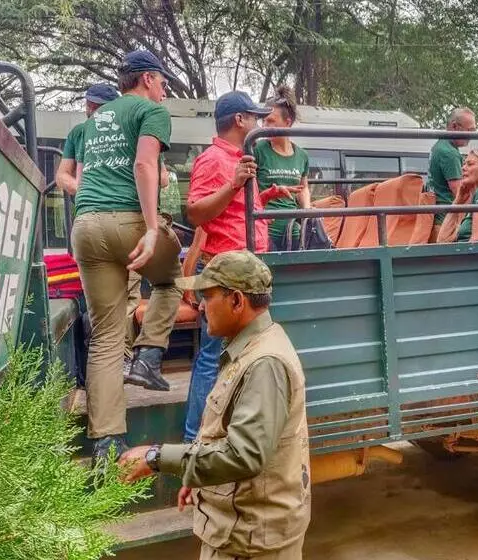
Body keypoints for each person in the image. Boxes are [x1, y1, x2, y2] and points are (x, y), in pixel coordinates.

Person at [119, 251, 311, 560]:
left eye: (207, 297)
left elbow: (243, 454)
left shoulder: (264, 363)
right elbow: (226, 433)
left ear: (236, 301)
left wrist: (157, 457)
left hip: (251, 544)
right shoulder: (247, 348)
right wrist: (200, 482)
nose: (200, 307)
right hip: (240, 531)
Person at [73, 50, 183, 462]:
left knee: (104, 336)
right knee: (171, 281)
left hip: (85, 227)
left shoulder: (91, 123)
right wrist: (154, 228)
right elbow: (143, 164)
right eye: (164, 82)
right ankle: (148, 357)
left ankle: (107, 444)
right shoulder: (150, 111)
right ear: (149, 79)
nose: (166, 89)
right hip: (129, 222)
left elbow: (81, 180)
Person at [183, 90, 299, 443]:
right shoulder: (214, 159)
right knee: (211, 356)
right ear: (239, 120)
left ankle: (221, 432)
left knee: (236, 354)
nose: (259, 122)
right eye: (254, 117)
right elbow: (197, 212)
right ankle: (194, 440)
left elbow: (232, 211)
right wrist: (235, 182)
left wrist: (264, 196)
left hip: (243, 273)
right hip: (228, 274)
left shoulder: (238, 157)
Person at [254, 85, 311, 251]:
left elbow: (303, 188)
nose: (265, 125)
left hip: (292, 230)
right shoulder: (258, 150)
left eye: (271, 120)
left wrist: (307, 213)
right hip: (266, 229)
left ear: (288, 122)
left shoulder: (302, 156)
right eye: (263, 120)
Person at [56, 83, 120, 196]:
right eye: (89, 105)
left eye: (98, 106)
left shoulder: (128, 130)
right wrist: (86, 192)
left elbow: (162, 176)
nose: (92, 110)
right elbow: (62, 176)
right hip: (88, 206)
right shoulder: (78, 132)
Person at [424, 107, 477, 238]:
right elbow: (460, 192)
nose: (472, 136)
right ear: (454, 126)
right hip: (446, 221)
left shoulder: (439, 145)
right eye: (470, 130)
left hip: (438, 217)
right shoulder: (449, 153)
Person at [437, 149, 478, 243]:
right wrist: (457, 202)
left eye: (470, 164)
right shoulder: (475, 199)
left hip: (471, 257)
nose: (463, 168)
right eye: (464, 164)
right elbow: (442, 241)